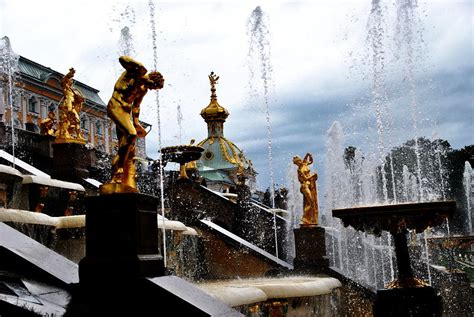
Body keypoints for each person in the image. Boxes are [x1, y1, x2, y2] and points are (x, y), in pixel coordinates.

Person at [102, 56, 164, 194]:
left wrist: (136, 122)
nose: (152, 89)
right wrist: (140, 68)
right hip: (115, 106)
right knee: (131, 134)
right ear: (151, 79)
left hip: (125, 113)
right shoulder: (136, 73)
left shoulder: (143, 89)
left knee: (128, 146)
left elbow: (136, 107)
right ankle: (119, 169)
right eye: (153, 87)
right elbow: (122, 59)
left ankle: (118, 177)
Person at [293, 153, 319, 226]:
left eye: (299, 161)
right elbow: (305, 178)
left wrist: (309, 155)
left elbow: (311, 161)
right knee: (311, 203)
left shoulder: (304, 164)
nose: (299, 162)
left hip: (310, 186)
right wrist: (313, 176)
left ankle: (310, 219)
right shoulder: (299, 170)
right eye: (297, 162)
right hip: (305, 187)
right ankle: (304, 218)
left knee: (311, 203)